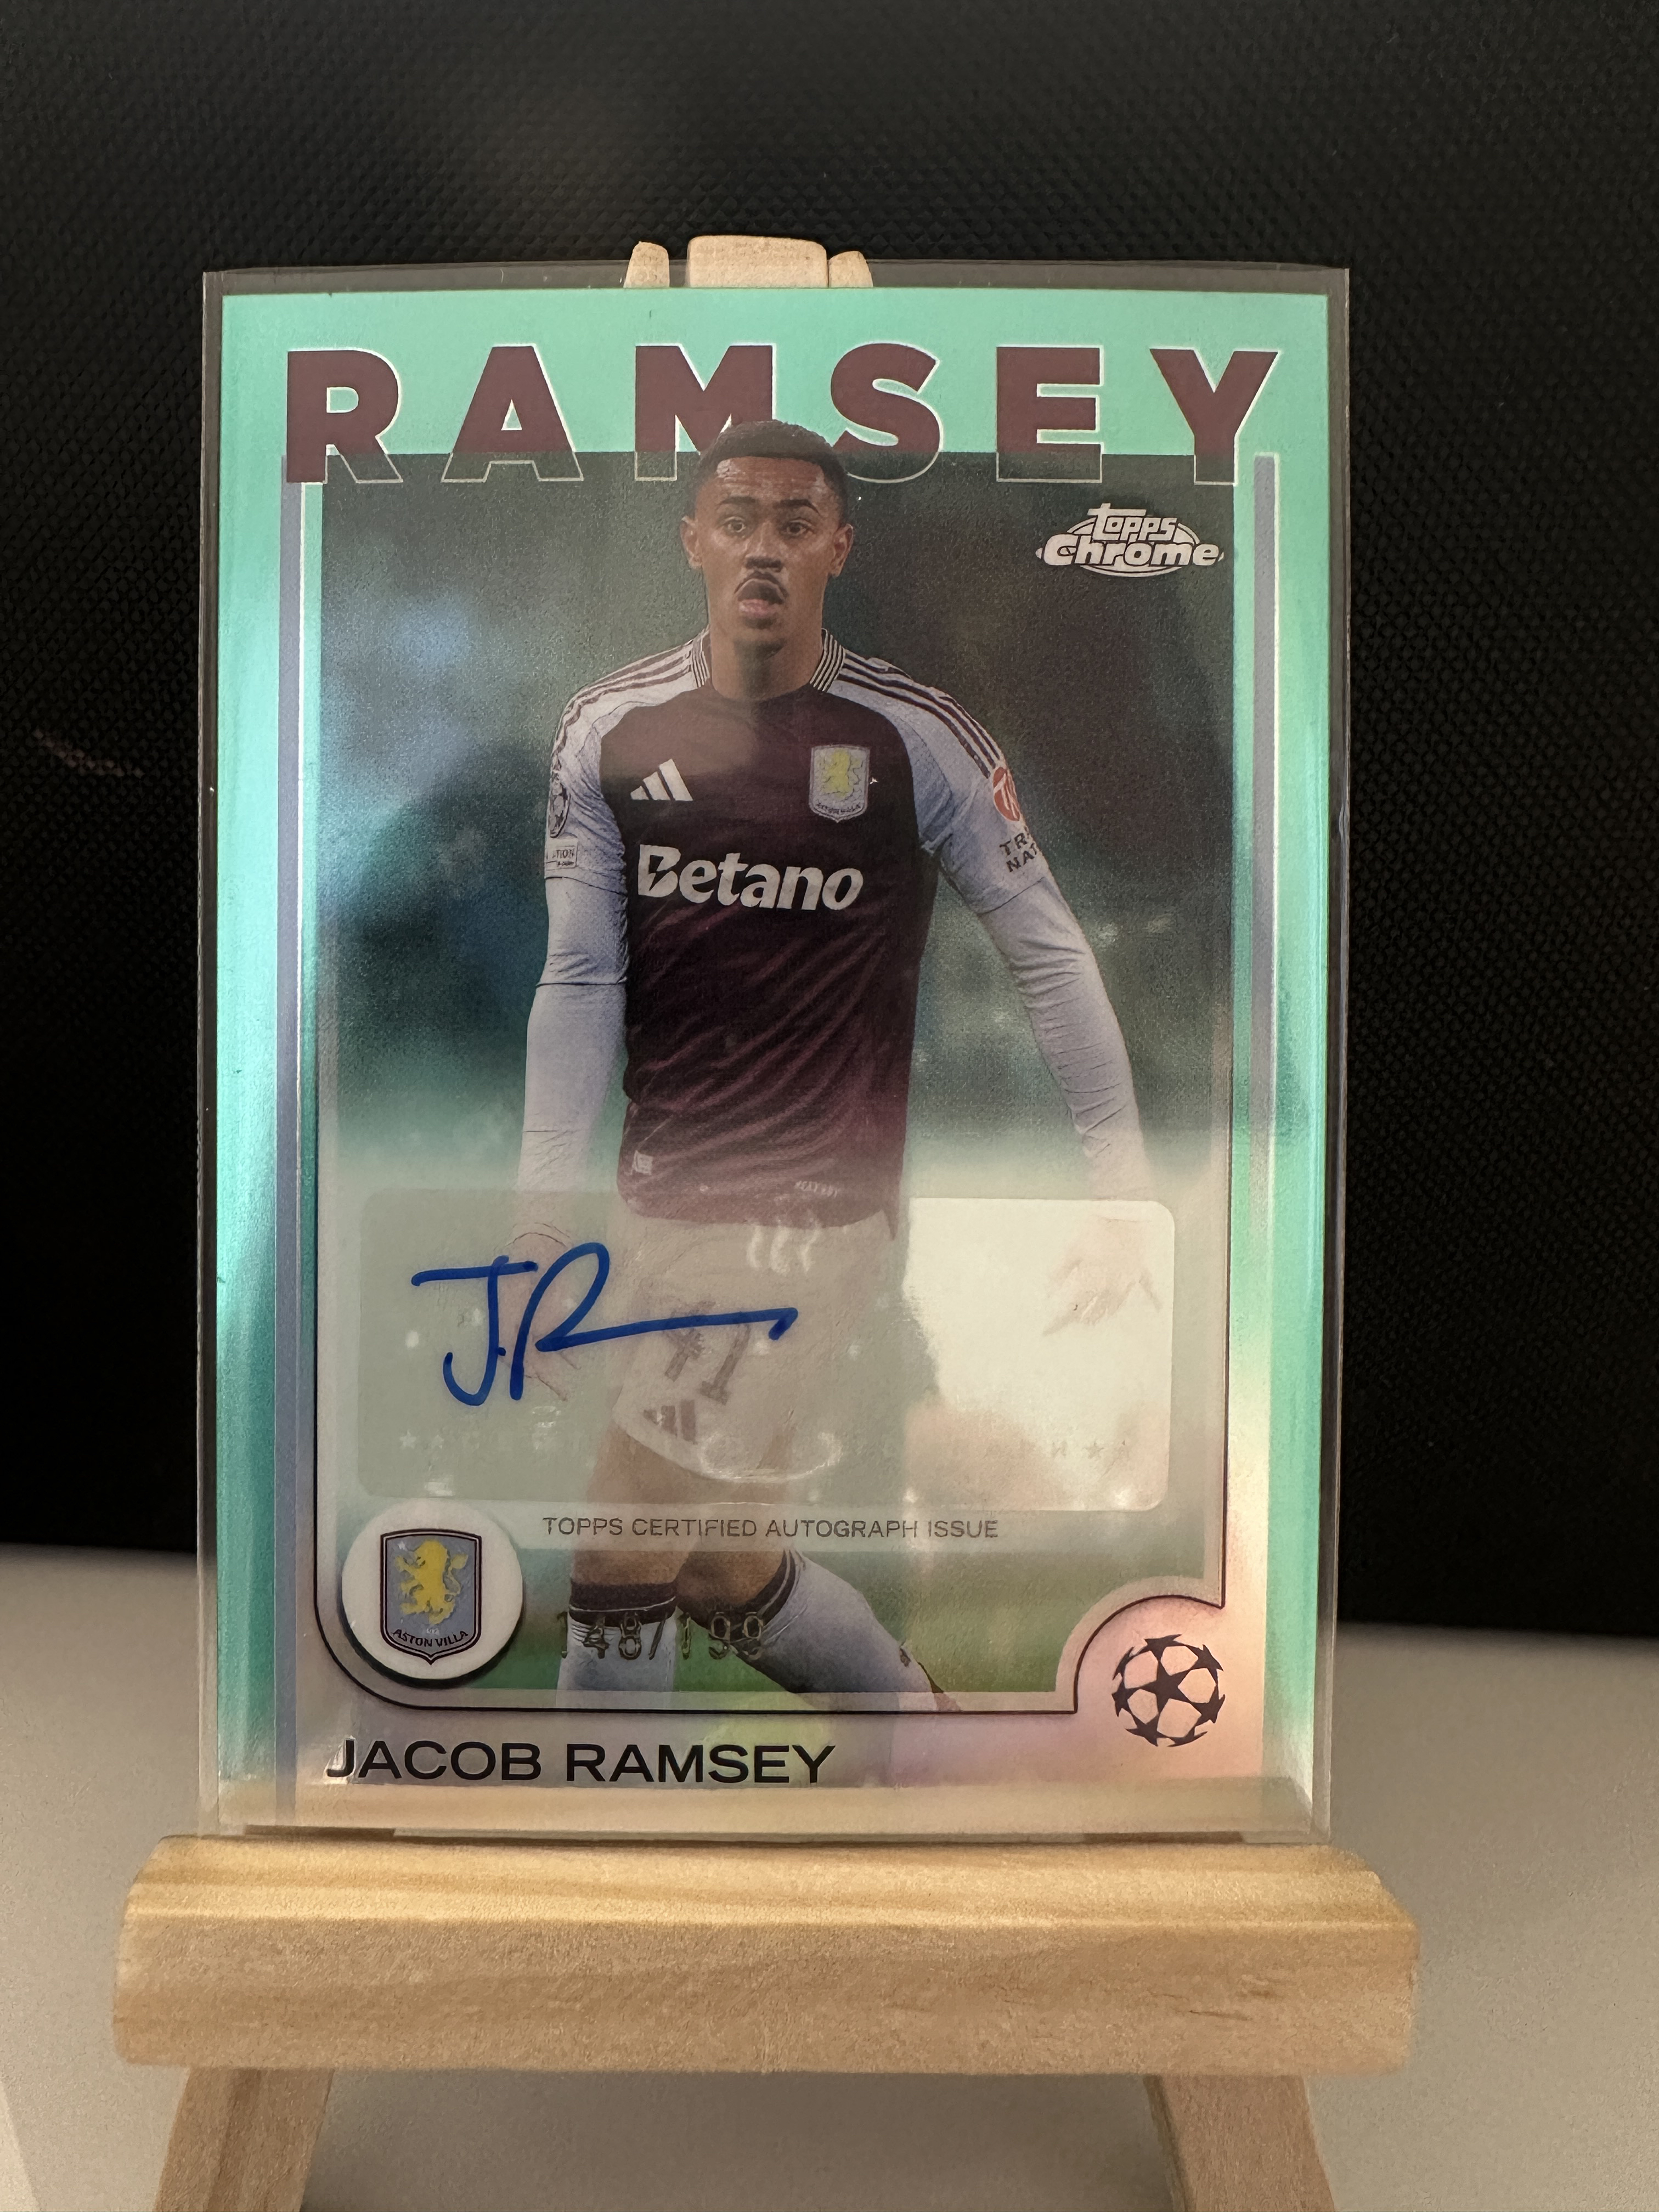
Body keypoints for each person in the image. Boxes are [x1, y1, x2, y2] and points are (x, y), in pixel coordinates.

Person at [508, 418, 1154, 1700]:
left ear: (838, 549)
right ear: (694, 542)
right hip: (660, 1203)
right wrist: (538, 1212)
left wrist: (1122, 1183)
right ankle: (922, 1731)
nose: (765, 547)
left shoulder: (918, 739)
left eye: (795, 525)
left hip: (810, 1219)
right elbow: (580, 980)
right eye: (739, 520)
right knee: (724, 1564)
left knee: (623, 1539)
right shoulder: (609, 730)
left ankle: (594, 1816)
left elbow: (1050, 955)